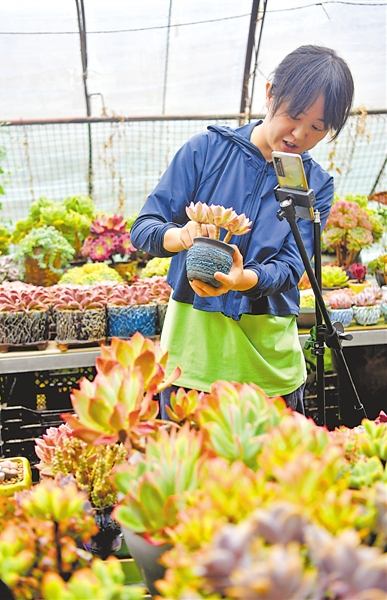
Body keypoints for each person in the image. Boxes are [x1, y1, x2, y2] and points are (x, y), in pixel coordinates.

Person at [130, 45, 354, 417]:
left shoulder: (314, 184)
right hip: (192, 363)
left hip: (268, 372)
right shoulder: (206, 151)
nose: (298, 134)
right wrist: (183, 236)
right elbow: (144, 228)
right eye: (293, 115)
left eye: (317, 127)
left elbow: (291, 268)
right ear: (270, 94)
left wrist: (243, 278)